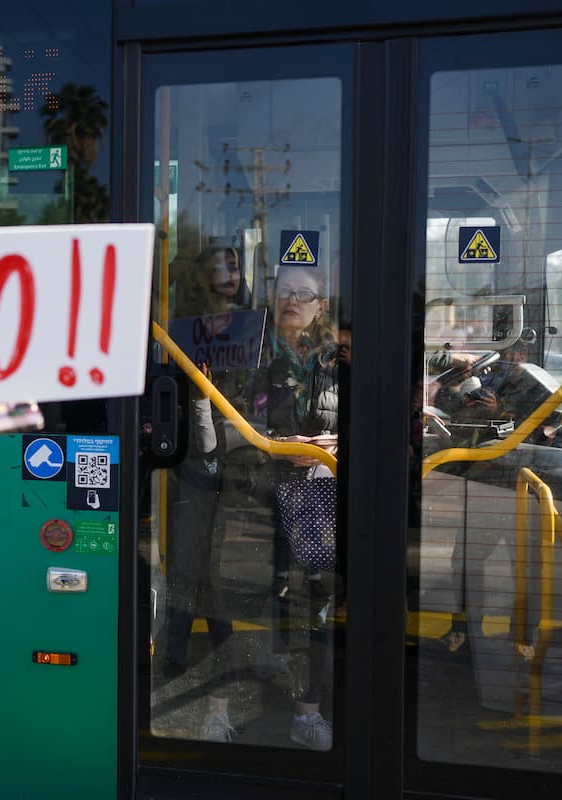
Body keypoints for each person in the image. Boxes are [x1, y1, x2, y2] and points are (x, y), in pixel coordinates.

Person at [248, 264, 338, 751]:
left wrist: (334, 443)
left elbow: (367, 416)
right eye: (286, 293)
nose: (294, 302)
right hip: (254, 493)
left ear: (321, 307)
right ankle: (230, 701)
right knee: (259, 592)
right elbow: (233, 421)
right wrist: (278, 443)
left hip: (316, 492)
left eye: (306, 295)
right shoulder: (254, 353)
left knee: (314, 604)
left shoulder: (333, 360)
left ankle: (307, 714)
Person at [160, 242, 243, 742]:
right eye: (214, 265)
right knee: (189, 563)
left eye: (232, 265)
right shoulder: (180, 330)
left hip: (238, 461)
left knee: (221, 570)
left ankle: (218, 659)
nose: (225, 274)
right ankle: (175, 654)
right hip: (193, 460)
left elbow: (257, 408)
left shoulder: (250, 331)